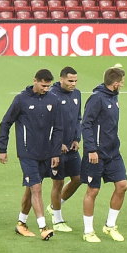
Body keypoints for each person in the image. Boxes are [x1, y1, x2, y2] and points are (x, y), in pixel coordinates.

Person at [0, 68, 64, 241]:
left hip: (46, 153)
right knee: (36, 188)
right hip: (27, 153)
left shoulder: (53, 100)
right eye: (43, 85)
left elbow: (58, 128)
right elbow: (6, 123)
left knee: (30, 188)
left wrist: (56, 152)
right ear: (35, 81)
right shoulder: (21, 99)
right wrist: (2, 149)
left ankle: (21, 223)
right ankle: (43, 227)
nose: (45, 89)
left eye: (48, 86)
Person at [79, 66, 127, 243]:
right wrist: (91, 149)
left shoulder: (113, 97)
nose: (123, 84)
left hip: (113, 153)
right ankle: (88, 231)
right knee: (93, 190)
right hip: (96, 154)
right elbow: (86, 124)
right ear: (115, 84)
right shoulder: (97, 99)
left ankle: (110, 225)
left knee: (122, 185)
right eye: (121, 82)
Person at [47, 67, 83, 233]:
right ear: (61, 79)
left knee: (78, 178)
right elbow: (48, 122)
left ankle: (55, 206)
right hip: (56, 148)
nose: (73, 84)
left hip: (71, 147)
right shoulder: (52, 95)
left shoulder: (77, 94)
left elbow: (78, 119)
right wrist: (57, 143)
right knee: (58, 181)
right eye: (70, 81)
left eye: (75, 81)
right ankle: (57, 219)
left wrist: (77, 138)